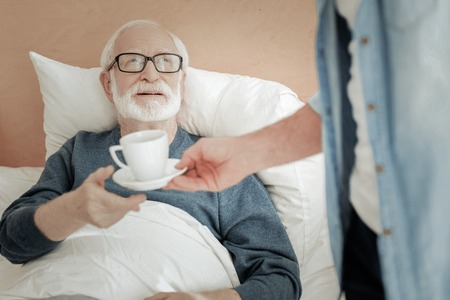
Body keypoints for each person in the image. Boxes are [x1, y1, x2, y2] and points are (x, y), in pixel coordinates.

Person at [167, 1, 450, 300]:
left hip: (431, 228)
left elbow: (278, 276)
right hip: (366, 228)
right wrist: (244, 153)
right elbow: (356, 93)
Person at [0, 20, 301, 300]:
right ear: (108, 84)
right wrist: (71, 211)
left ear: (181, 84)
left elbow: (280, 276)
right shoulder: (78, 151)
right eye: (132, 61)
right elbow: (11, 243)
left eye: (166, 62)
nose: (151, 74)